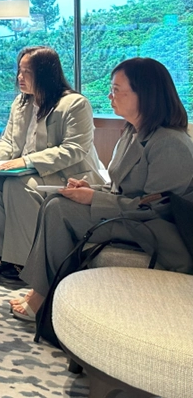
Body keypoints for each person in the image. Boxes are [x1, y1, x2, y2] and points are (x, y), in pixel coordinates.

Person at [12, 57, 193, 321]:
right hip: (130, 216)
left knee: (59, 209)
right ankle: (44, 291)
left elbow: (158, 207)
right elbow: (120, 187)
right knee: (55, 201)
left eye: (117, 90)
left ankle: (42, 295)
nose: (110, 96)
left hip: (154, 229)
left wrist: (94, 198)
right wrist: (91, 188)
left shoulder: (170, 142)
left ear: (146, 94)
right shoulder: (132, 133)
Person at [0, 46, 104, 280]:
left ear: (45, 74)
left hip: (68, 175)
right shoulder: (21, 103)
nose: (19, 77)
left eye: (26, 72)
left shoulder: (75, 104)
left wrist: (25, 161)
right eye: (19, 71)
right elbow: (8, 141)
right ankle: (2, 253)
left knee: (19, 185)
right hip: (27, 170)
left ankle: (24, 261)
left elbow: (73, 150)